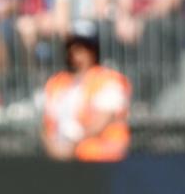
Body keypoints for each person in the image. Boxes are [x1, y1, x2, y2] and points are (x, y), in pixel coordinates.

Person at [41, 20, 131, 162]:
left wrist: (72, 145)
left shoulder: (108, 80)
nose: (77, 52)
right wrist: (54, 150)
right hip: (63, 162)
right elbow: (48, 125)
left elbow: (102, 120)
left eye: (84, 46)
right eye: (73, 46)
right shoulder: (56, 82)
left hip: (102, 162)